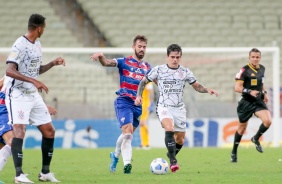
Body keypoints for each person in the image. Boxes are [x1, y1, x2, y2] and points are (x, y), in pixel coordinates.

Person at [135, 44, 219, 173]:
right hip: (164, 106)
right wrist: (139, 96)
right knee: (169, 128)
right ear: (167, 56)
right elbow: (143, 82)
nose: (175, 59)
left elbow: (197, 86)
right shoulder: (159, 70)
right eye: (172, 57)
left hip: (179, 108)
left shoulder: (185, 72)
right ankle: (173, 161)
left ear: (180, 58)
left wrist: (207, 90)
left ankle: (171, 154)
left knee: (180, 139)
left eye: (177, 57)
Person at [5, 14, 65, 183]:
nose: (43, 31)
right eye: (44, 28)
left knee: (49, 131)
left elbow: (34, 70)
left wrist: (53, 63)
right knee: (19, 130)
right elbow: (10, 70)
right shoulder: (20, 44)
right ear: (39, 28)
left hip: (32, 94)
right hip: (17, 94)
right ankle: (19, 175)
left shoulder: (37, 44)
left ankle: (45, 173)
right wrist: (33, 80)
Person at [90, 35, 151, 174]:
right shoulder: (124, 62)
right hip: (123, 101)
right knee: (128, 134)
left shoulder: (147, 67)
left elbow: (156, 81)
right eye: (139, 46)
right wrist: (101, 56)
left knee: (127, 136)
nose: (142, 49)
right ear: (133, 47)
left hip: (137, 105)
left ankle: (115, 156)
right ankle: (127, 165)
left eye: (144, 47)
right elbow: (106, 63)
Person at [0, 76, 57, 176]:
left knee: (3, 146)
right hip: (3, 111)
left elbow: (29, 97)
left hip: (12, 111)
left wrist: (44, 106)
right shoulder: (10, 75)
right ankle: (19, 175)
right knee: (12, 141)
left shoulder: (26, 77)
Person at [230, 48, 271, 163]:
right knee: (242, 128)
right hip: (246, 102)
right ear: (249, 58)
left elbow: (261, 83)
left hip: (258, 101)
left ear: (260, 58)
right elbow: (237, 88)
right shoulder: (244, 70)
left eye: (257, 57)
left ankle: (255, 138)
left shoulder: (262, 68)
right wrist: (250, 91)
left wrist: (265, 93)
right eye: (253, 57)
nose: (255, 59)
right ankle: (234, 152)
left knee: (268, 121)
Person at [139, 82, 154, 149]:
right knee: (141, 124)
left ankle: (147, 144)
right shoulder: (141, 80)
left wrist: (151, 103)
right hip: (141, 104)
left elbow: (151, 92)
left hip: (145, 104)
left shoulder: (148, 81)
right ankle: (144, 144)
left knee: (142, 123)